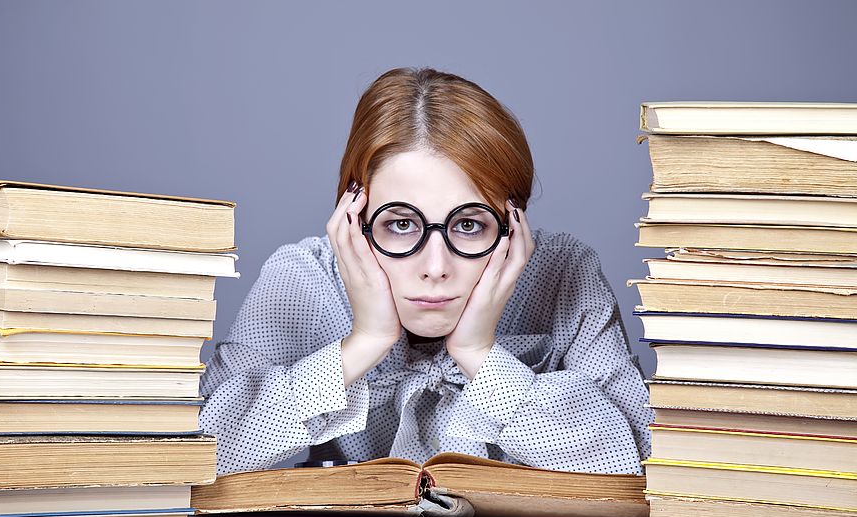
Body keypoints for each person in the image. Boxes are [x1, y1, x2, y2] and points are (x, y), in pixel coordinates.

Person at [198, 67, 653, 476]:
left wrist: (479, 355)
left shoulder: (563, 271)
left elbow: (640, 462)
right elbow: (194, 451)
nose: (435, 267)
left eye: (470, 225)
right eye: (400, 224)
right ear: (354, 219)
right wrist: (363, 345)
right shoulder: (304, 279)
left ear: (514, 226)